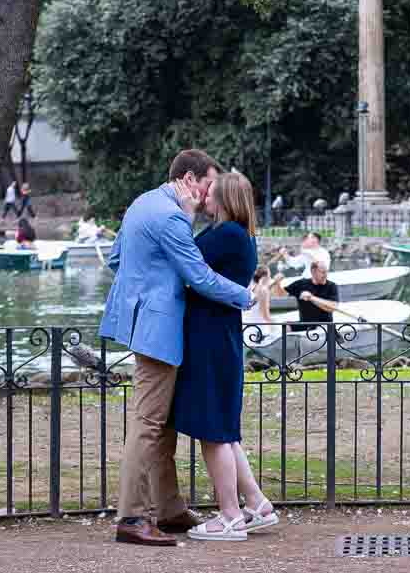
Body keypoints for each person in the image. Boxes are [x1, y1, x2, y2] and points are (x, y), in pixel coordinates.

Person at [98, 149, 252, 547]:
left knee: (163, 425)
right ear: (188, 178)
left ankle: (168, 509)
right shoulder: (171, 215)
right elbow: (199, 276)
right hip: (159, 329)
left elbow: (117, 258)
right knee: (149, 424)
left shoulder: (142, 202)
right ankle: (132, 517)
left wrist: (146, 286)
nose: (205, 197)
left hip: (145, 322)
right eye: (205, 186)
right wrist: (244, 296)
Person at [171, 172, 279, 541]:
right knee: (225, 432)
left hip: (210, 339)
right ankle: (257, 503)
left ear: (228, 199)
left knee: (213, 432)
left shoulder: (226, 234)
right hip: (221, 337)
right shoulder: (241, 235)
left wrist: (185, 214)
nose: (205, 199)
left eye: (211, 194)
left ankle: (230, 515)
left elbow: (183, 256)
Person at [273, 259, 339, 332]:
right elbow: (280, 294)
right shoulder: (301, 284)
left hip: (324, 325)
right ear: (313, 272)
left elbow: (333, 307)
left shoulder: (331, 286)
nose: (326, 275)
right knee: (285, 327)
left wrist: (311, 298)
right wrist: (277, 283)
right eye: (323, 272)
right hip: (305, 324)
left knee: (319, 330)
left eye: (327, 272)